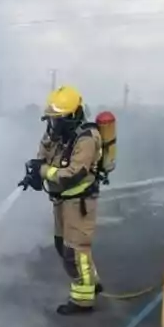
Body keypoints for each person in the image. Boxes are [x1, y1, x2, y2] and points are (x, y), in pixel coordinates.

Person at [23, 85, 104, 315]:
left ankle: (83, 299)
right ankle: (91, 281)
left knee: (76, 249)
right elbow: (44, 153)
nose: (52, 125)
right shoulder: (55, 132)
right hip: (60, 200)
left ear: (72, 117)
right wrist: (34, 170)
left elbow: (74, 173)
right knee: (62, 245)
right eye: (51, 119)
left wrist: (43, 172)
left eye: (57, 120)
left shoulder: (87, 138)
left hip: (79, 201)